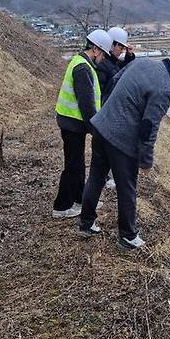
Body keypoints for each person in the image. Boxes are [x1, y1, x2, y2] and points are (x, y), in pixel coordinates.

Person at [78, 49, 170, 249]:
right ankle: (127, 236)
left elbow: (114, 81)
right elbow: (148, 128)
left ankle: (85, 223)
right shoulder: (164, 90)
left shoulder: (143, 62)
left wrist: (107, 111)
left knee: (96, 175)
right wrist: (146, 161)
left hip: (101, 126)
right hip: (120, 140)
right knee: (127, 188)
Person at [52, 29, 112, 218]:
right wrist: (96, 129)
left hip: (72, 123)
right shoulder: (82, 69)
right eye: (103, 54)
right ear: (95, 49)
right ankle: (61, 207)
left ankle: (80, 200)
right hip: (72, 124)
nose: (102, 59)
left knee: (78, 164)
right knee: (73, 166)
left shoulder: (82, 64)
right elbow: (86, 105)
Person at [95, 26, 135, 189]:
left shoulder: (110, 62)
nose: (121, 51)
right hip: (106, 110)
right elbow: (114, 78)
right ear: (111, 45)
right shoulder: (104, 65)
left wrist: (130, 57)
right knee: (105, 148)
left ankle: (103, 177)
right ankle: (102, 178)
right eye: (120, 47)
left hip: (108, 110)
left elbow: (120, 69)